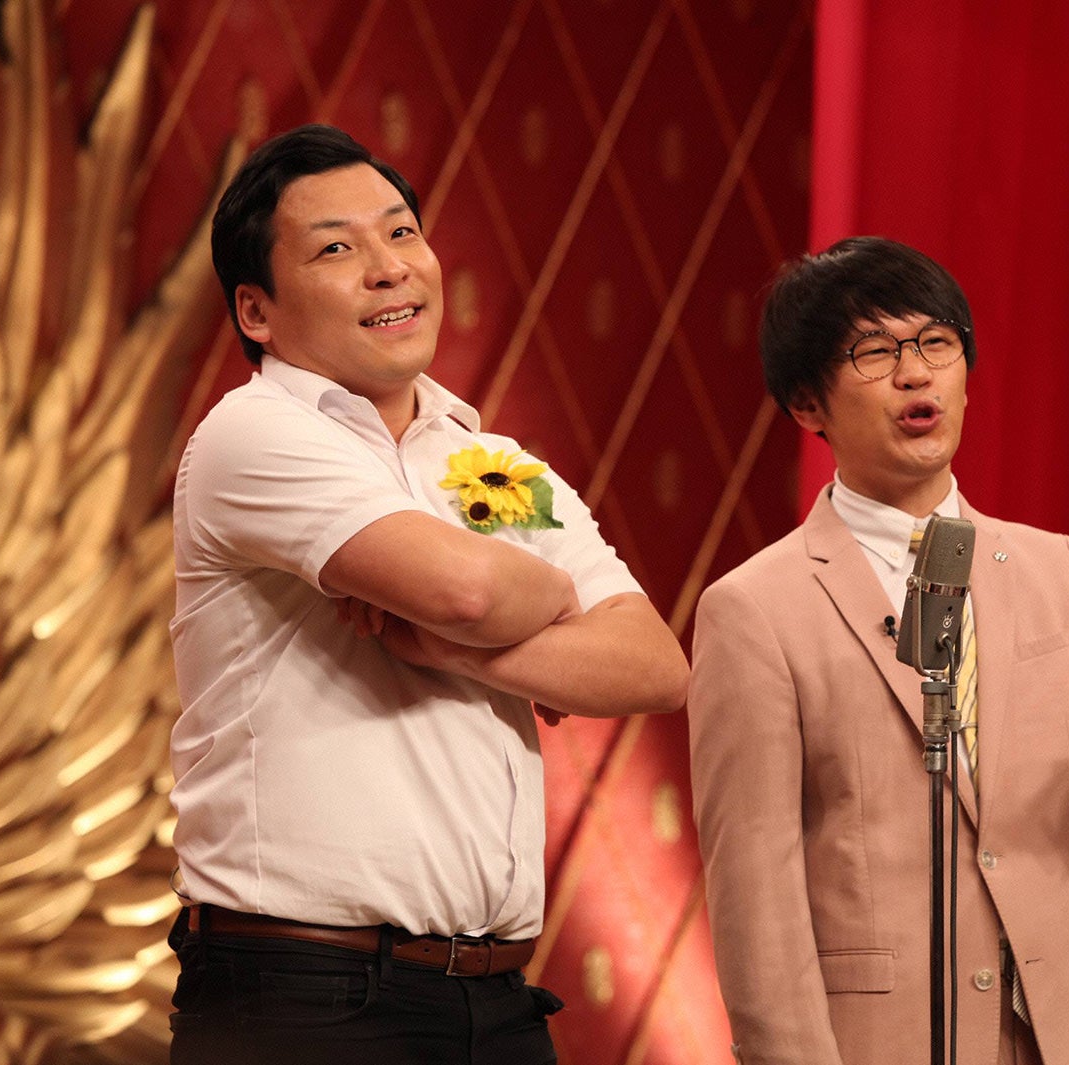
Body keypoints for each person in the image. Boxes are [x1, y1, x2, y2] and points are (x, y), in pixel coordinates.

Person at [686, 236, 1069, 1065]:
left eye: (935, 342)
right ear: (808, 405)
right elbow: (753, 888)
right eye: (875, 352)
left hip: (1062, 1032)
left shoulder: (1052, 567)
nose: (916, 373)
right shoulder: (756, 610)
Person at [166, 124, 689, 1065]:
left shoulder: (488, 462)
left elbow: (653, 664)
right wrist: (538, 601)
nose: (389, 268)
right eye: (336, 248)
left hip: (496, 998)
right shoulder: (253, 433)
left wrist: (452, 648)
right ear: (256, 310)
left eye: (401, 232)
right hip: (306, 997)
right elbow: (464, 588)